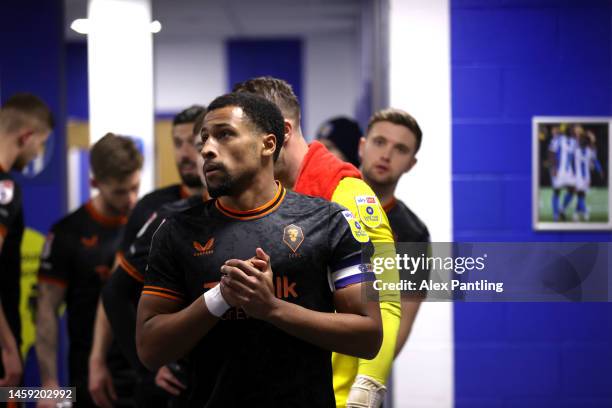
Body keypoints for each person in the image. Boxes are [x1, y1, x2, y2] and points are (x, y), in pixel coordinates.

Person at [136, 92, 382, 407]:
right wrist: (219, 298)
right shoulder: (176, 232)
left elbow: (369, 336)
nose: (207, 149)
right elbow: (149, 349)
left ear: (268, 144)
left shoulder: (328, 221)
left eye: (224, 135)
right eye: (205, 139)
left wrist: (272, 308)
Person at [232, 77, 400, 408]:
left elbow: (387, 299)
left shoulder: (347, 196)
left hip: (334, 394)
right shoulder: (266, 197)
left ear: (281, 131)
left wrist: (369, 386)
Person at [100, 106, 207, 407]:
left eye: (195, 143)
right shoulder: (162, 212)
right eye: (180, 143)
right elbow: (114, 289)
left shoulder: (245, 212)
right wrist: (144, 364)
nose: (190, 154)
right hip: (176, 382)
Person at [36, 133, 143, 408]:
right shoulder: (67, 233)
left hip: (143, 372)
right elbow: (46, 310)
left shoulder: (146, 224)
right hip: (89, 378)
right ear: (94, 183)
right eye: (120, 192)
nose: (131, 199)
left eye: (135, 187)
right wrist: (49, 383)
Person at [358, 108, 430, 355]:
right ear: (362, 146)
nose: (386, 155)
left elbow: (402, 320)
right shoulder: (323, 200)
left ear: (411, 163)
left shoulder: (414, 234)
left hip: (364, 364)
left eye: (400, 149)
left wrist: (369, 379)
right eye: (379, 142)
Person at [0, 93, 53, 393]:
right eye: (41, 144)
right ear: (27, 136)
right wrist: (8, 348)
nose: (37, 153)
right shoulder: (4, 187)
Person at [573, 129, 604, 221]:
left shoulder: (576, 150)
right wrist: (600, 170)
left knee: (580, 195)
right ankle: (580, 213)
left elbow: (595, 160)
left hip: (579, 177)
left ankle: (580, 212)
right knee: (581, 195)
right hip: (585, 177)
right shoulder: (589, 151)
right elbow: (595, 161)